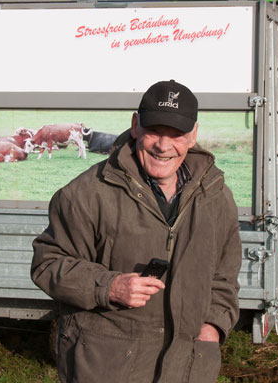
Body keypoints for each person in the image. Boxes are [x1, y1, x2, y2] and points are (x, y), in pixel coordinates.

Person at [31, 79, 241, 383]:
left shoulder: (216, 196)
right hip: (106, 367)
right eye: (154, 130)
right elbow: (47, 264)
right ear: (135, 126)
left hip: (188, 367)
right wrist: (109, 286)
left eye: (177, 134)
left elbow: (224, 275)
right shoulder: (86, 194)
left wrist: (213, 327)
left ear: (193, 135)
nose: (163, 145)